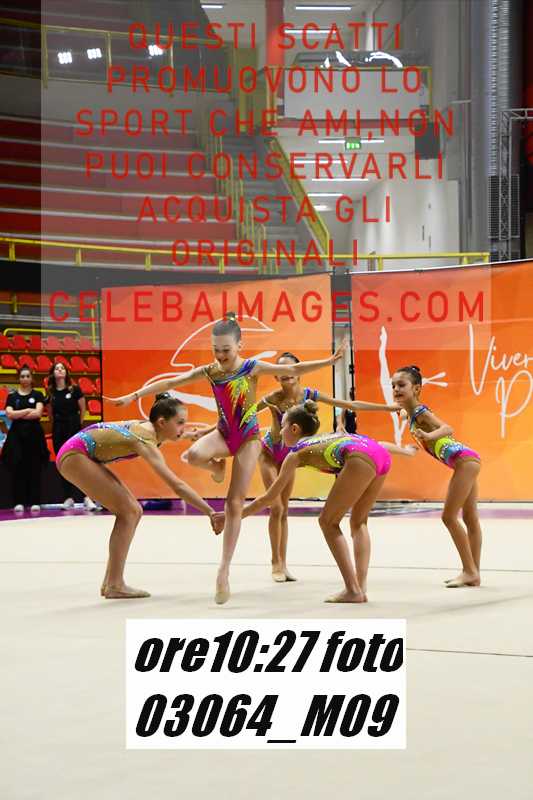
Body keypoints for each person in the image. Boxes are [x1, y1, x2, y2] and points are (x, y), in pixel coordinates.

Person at [105, 313, 347, 604]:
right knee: (193, 454)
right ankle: (217, 465)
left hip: (248, 439)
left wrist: (329, 361)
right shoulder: (211, 371)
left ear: (239, 346)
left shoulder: (250, 368)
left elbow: (295, 368)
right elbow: (172, 381)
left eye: (226, 350)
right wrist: (134, 395)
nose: (220, 356)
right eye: (216, 350)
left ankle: (224, 570)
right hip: (223, 433)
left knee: (233, 503)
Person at [242, 400, 413, 603]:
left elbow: (270, 497)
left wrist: (233, 516)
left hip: (361, 457)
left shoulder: (295, 454)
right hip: (380, 454)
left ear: (294, 429)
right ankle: (359, 586)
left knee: (328, 522)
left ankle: (353, 590)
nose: (279, 432)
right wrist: (404, 451)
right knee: (359, 522)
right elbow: (375, 446)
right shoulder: (323, 438)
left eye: (282, 426)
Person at [56, 394, 225, 599]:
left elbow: (177, 434)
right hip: (75, 455)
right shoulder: (144, 440)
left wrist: (200, 432)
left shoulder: (151, 429)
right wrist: (210, 512)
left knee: (132, 511)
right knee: (129, 512)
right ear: (162, 422)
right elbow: (177, 485)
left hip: (78, 452)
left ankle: (111, 582)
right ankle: (114, 584)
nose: (184, 428)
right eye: (180, 423)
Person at [257, 353, 398, 583]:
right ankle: (276, 563)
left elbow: (349, 405)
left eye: (290, 369)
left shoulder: (310, 396)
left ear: (299, 371)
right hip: (270, 454)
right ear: (275, 376)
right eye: (280, 371)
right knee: (276, 507)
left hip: (291, 454)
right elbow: (243, 416)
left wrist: (387, 408)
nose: (285, 374)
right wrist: (209, 432)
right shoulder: (273, 398)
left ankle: (283, 563)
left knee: (284, 508)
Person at [391, 364, 482, 587]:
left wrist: (429, 435)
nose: (396, 389)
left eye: (401, 385)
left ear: (416, 389)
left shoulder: (420, 412)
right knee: (470, 518)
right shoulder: (410, 412)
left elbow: (447, 428)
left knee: (448, 517)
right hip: (468, 460)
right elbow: (403, 411)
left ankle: (469, 571)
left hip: (464, 462)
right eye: (393, 386)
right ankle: (473, 573)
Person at [46, 361, 95, 511]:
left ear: (66, 372)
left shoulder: (75, 390)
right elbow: (50, 414)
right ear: (53, 373)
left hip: (74, 428)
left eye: (62, 368)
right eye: (57, 368)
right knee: (63, 463)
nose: (60, 370)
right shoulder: (51, 393)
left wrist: (77, 424)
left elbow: (83, 409)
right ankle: (68, 498)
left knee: (81, 462)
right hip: (59, 430)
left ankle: (87, 497)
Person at [2, 367, 49, 512]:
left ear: (31, 378)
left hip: (34, 436)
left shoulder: (38, 394)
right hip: (16, 436)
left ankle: (35, 501)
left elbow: (38, 414)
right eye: (22, 376)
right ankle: (19, 502)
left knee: (34, 468)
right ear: (19, 378)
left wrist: (19, 414)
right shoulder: (12, 396)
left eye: (27, 376)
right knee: (18, 468)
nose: (25, 379)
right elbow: (9, 414)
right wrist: (28, 410)